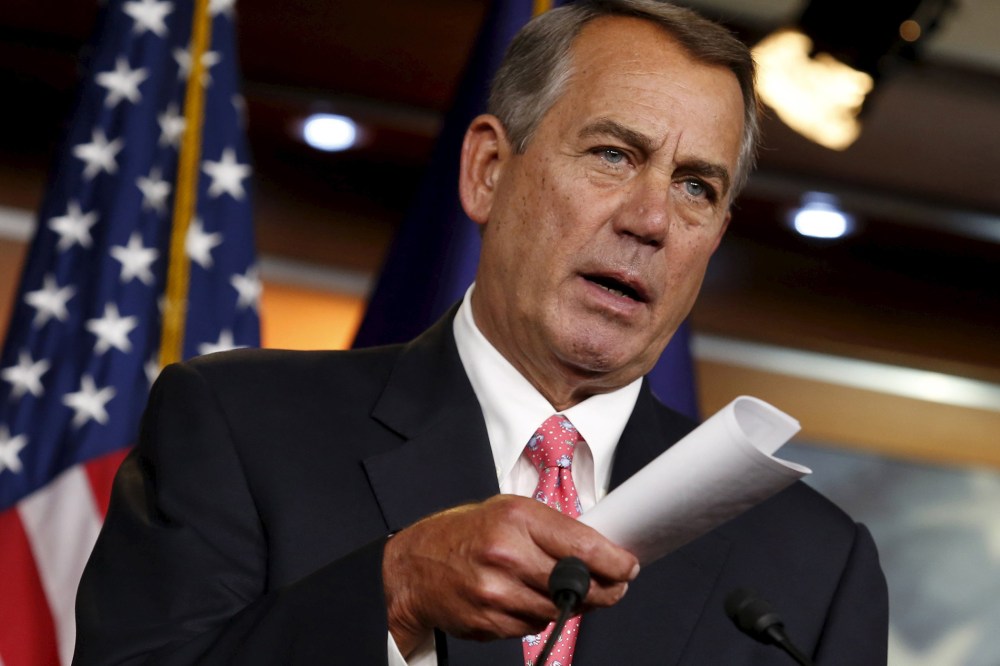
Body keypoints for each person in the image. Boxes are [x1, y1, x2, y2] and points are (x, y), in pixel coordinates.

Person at [74, 1, 888, 664]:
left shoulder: (813, 563)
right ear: (489, 172)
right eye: (612, 154)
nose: (650, 220)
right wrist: (391, 594)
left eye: (696, 187)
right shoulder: (238, 426)